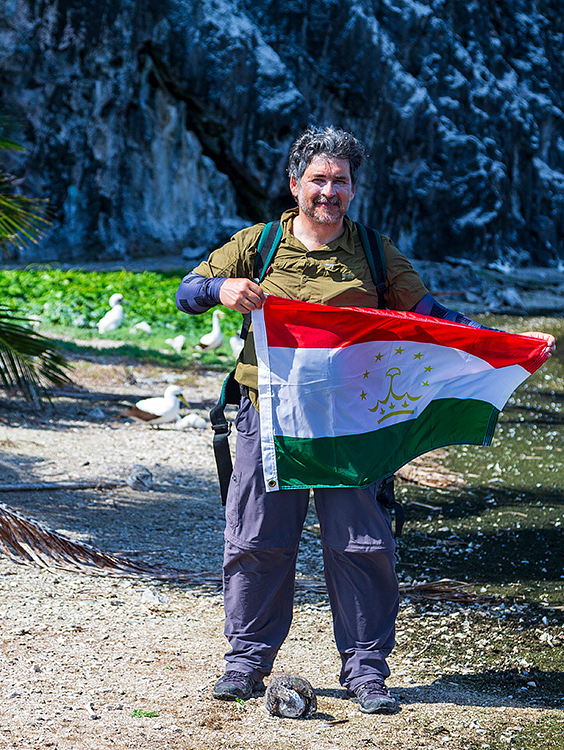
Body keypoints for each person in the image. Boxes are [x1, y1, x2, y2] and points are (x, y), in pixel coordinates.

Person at [176, 126, 496, 714]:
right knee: (257, 541)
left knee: (361, 546)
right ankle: (245, 663)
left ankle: (367, 672)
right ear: (295, 184)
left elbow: (429, 317)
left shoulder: (375, 252)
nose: (329, 192)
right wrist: (223, 289)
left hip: (351, 423)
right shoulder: (259, 244)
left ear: (353, 190)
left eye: (340, 182)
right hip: (268, 418)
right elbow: (188, 290)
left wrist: (496, 346)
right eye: (318, 180)